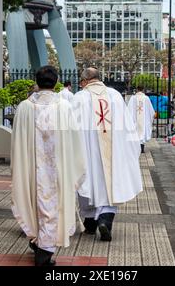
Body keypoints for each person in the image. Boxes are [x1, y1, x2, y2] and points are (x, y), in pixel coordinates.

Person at [10, 66, 86, 267]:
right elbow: (74, 139)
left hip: (32, 169)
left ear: (36, 81)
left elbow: (17, 141)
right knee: (53, 206)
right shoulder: (63, 107)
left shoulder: (24, 107)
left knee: (34, 201)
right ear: (56, 81)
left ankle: (39, 243)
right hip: (58, 170)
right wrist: (75, 167)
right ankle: (43, 252)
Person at [72, 68, 143, 242]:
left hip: (87, 150)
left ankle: (90, 224)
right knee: (110, 184)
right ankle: (105, 220)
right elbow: (127, 126)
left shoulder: (79, 98)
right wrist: (130, 149)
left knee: (88, 182)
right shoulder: (115, 96)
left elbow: (71, 129)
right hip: (113, 151)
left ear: (84, 81)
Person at [127, 86, 156, 154]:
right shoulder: (146, 98)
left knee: (136, 132)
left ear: (137, 89)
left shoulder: (133, 98)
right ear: (143, 90)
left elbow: (128, 109)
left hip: (135, 120)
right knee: (142, 133)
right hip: (143, 120)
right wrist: (151, 116)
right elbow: (151, 111)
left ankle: (135, 149)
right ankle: (142, 149)